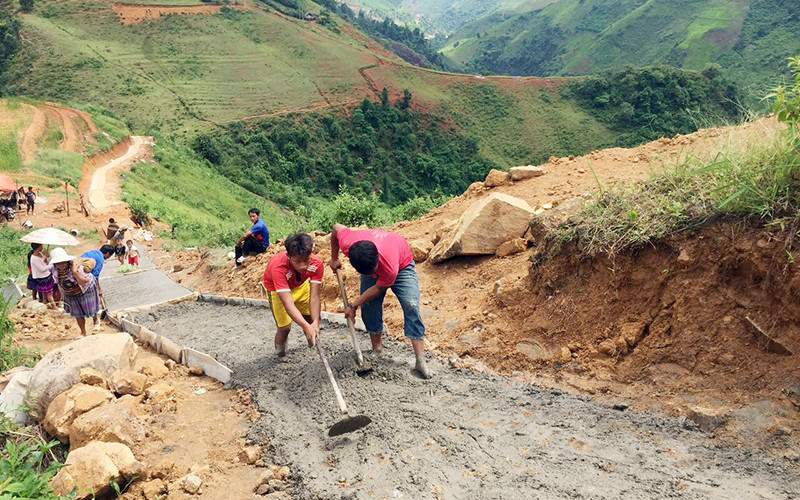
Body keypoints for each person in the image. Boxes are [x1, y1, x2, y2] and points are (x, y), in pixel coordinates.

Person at [329, 224, 431, 379]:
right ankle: (377, 350)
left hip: (401, 265)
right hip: (373, 263)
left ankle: (420, 359)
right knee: (369, 307)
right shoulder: (348, 243)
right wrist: (334, 257)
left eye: (374, 269)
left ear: (377, 257)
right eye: (368, 272)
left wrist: (353, 304)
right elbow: (336, 228)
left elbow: (378, 288)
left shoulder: (389, 265)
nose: (374, 274)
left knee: (411, 306)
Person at [263, 233, 323, 357]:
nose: (303, 266)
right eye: (297, 261)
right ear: (289, 256)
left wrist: (315, 322)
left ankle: (313, 344)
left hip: (300, 285)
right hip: (277, 289)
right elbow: (288, 304)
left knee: (310, 318)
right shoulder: (279, 268)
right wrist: (306, 327)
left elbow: (315, 297)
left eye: (306, 260)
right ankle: (279, 353)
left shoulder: (316, 264)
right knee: (284, 328)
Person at [50, 247, 100, 336]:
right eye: (58, 263)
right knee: (78, 314)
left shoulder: (77, 268)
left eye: (62, 262)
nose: (60, 264)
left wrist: (75, 273)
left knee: (91, 308)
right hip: (69, 293)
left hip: (85, 289)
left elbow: (84, 282)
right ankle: (83, 332)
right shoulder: (54, 270)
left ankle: (96, 321)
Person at [79, 244, 115, 331]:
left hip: (77, 273)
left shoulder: (93, 252)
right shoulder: (100, 259)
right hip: (84, 277)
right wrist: (98, 289)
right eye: (109, 256)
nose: (108, 257)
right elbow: (95, 276)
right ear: (107, 253)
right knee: (92, 298)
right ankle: (94, 319)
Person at [26, 243, 56, 308]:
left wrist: (47, 257)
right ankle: (55, 307)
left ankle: (44, 304)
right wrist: (51, 265)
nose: (42, 246)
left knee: (44, 294)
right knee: (49, 294)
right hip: (43, 278)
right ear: (39, 247)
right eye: (41, 245)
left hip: (47, 276)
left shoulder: (40, 254)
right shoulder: (34, 258)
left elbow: (46, 262)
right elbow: (42, 269)